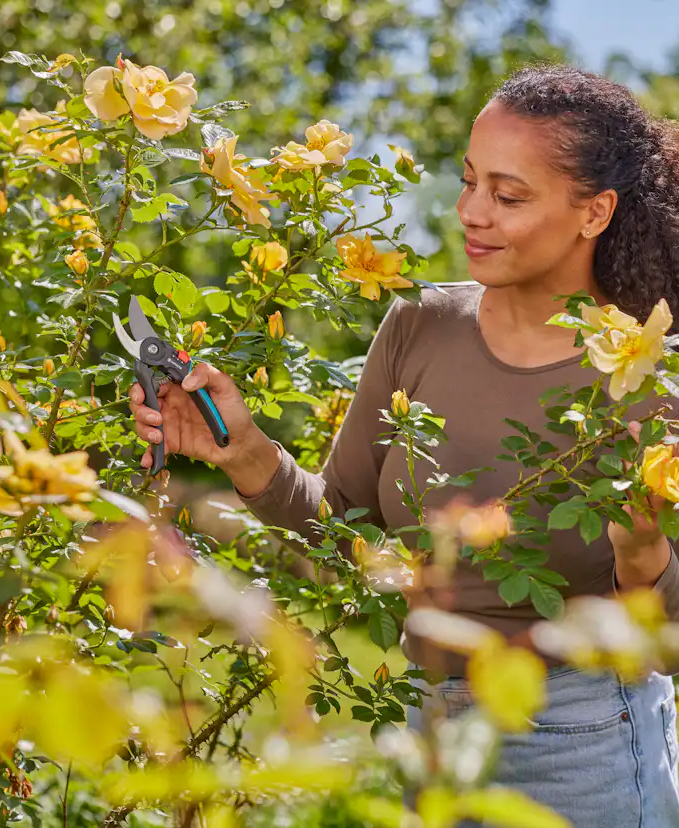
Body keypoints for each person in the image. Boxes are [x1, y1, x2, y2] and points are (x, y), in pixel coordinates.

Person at [130, 65, 679, 825]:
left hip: (583, 744)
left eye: (508, 196)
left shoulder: (653, 375)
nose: (470, 212)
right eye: (470, 182)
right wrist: (243, 447)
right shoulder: (420, 324)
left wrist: (642, 556)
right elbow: (343, 525)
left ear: (595, 212)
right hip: (427, 729)